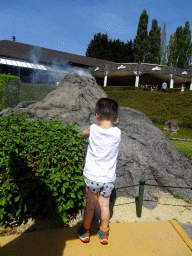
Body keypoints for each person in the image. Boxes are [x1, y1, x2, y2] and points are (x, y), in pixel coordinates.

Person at [77, 98, 121, 245]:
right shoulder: (117, 133)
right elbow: (115, 129)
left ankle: (85, 231)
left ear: (97, 115)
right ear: (116, 118)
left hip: (92, 177)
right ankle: (103, 232)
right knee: (104, 205)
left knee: (91, 203)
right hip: (108, 178)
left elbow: (83, 134)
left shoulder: (93, 129)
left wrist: (83, 134)